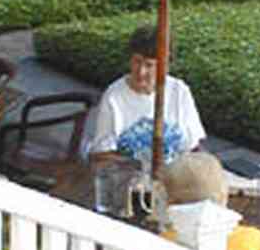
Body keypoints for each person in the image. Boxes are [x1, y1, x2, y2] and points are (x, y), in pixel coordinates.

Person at [80, 23, 205, 165]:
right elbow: (101, 155)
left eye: (149, 65)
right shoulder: (114, 97)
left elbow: (193, 146)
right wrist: (142, 166)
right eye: (137, 62)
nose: (141, 71)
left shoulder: (179, 91)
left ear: (165, 66)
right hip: (129, 176)